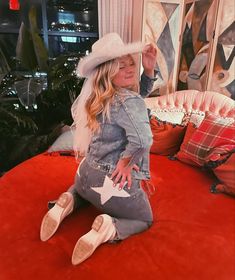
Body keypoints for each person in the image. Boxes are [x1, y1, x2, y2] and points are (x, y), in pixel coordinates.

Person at [40, 32, 157, 265]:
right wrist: (126, 163)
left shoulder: (98, 97)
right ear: (107, 72)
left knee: (84, 188)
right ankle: (108, 227)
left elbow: (133, 100)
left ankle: (69, 199)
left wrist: (149, 71)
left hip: (85, 175)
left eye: (130, 62)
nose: (129, 68)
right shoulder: (127, 101)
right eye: (119, 65)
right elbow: (143, 140)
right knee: (145, 219)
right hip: (112, 181)